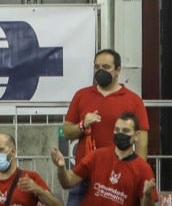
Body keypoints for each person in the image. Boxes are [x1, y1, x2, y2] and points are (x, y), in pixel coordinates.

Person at [60, 55, 151, 206]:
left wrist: (139, 176)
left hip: (118, 180)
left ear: (118, 70)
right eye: (97, 67)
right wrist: (82, 125)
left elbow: (142, 143)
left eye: (106, 67)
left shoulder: (133, 100)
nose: (100, 71)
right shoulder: (81, 95)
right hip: (83, 177)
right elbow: (67, 132)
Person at [51, 113, 155, 206]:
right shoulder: (97, 156)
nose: (120, 134)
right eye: (117, 130)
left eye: (125, 131)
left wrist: (147, 195)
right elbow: (68, 182)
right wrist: (61, 168)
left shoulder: (143, 169)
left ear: (136, 135)